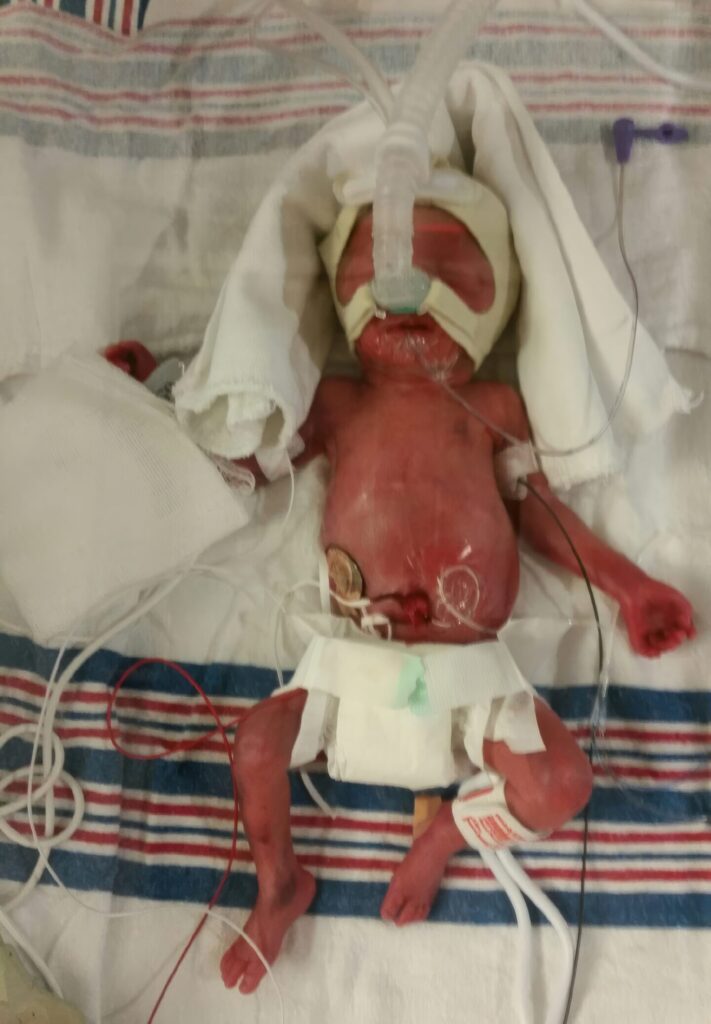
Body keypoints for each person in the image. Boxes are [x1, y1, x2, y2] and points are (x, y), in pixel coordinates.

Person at [220, 198, 695, 995]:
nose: (407, 292)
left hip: (473, 679)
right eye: (377, 271)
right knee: (256, 747)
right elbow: (242, 459)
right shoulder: (338, 404)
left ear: (495, 300)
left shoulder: (495, 409)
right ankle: (278, 883)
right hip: (352, 666)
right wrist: (156, 397)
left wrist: (628, 584)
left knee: (562, 784)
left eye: (448, 270)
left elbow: (539, 514)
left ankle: (445, 833)